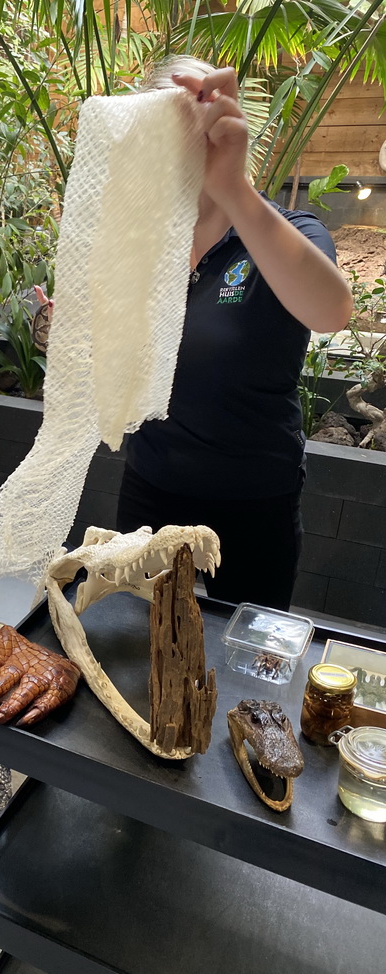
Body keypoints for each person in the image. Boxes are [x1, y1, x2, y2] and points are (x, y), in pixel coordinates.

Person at [115, 57, 354, 611]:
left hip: (255, 503)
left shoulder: (288, 231)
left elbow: (331, 311)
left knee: (245, 679)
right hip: (150, 487)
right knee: (129, 644)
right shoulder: (144, 242)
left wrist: (233, 188)